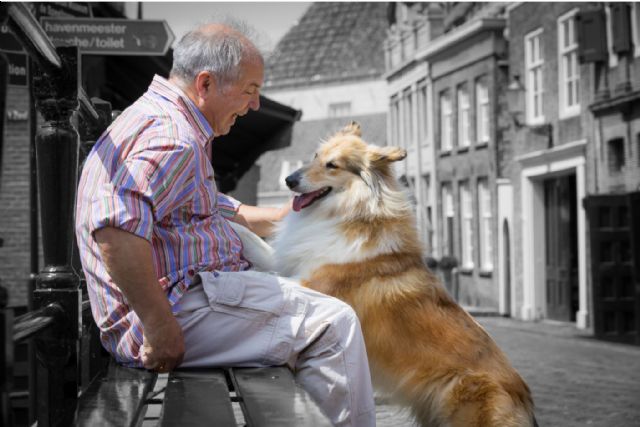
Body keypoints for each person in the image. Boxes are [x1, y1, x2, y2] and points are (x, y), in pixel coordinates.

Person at [75, 22, 376, 427]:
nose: (254, 106)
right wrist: (159, 325)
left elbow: (204, 207)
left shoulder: (160, 118)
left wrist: (287, 216)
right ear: (205, 83)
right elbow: (114, 228)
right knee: (335, 327)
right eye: (250, 91)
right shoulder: (174, 139)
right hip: (170, 311)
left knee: (322, 304)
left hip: (183, 297)